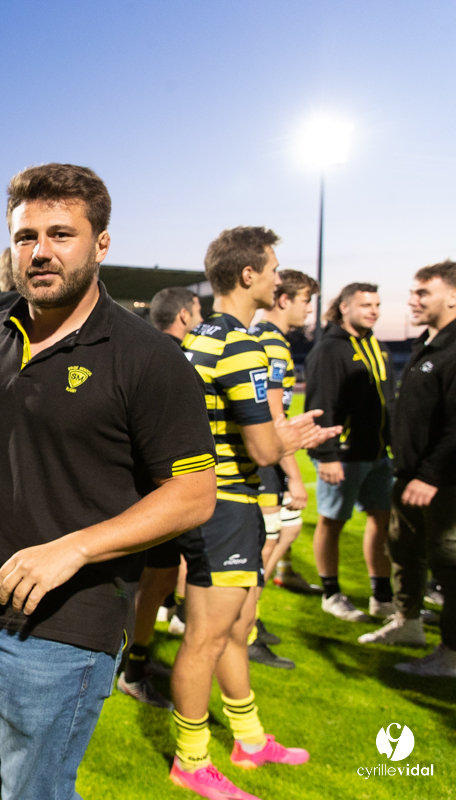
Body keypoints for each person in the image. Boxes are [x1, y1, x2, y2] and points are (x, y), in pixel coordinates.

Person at [0, 163, 218, 800]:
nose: (40, 252)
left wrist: (72, 548)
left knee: (34, 790)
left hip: (67, 626)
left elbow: (193, 494)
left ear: (101, 244)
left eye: (60, 235)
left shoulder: (149, 357)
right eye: (25, 237)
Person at [171, 227, 339, 800]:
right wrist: (290, 439)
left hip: (217, 501)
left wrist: (279, 437)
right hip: (226, 505)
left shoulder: (203, 336)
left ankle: (248, 739)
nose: (276, 278)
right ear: (248, 275)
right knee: (206, 638)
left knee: (237, 629)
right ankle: (190, 762)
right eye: (272, 269)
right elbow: (265, 449)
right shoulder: (241, 343)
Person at [359, 260, 456, 677]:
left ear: (452, 297)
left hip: (442, 484)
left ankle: (451, 654)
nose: (412, 300)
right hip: (409, 476)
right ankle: (408, 624)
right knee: (404, 552)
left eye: (423, 293)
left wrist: (431, 475)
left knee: (450, 566)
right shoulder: (426, 344)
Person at [117, 285, 202, 708]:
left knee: (156, 579)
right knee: (153, 580)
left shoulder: (143, 350)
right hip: (161, 493)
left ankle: (131, 659)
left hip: (151, 492)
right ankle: (131, 665)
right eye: (198, 312)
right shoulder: (168, 356)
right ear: (184, 315)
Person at [305, 282, 397, 622]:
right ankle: (331, 593)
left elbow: (388, 401)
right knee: (332, 522)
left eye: (377, 304)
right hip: (343, 457)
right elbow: (320, 405)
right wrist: (327, 454)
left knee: (382, 521)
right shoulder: (330, 349)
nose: (373, 310)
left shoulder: (376, 345)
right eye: (365, 304)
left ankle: (382, 597)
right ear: (344, 307)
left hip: (378, 454)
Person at [245, 270, 321, 670]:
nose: (309, 311)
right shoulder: (270, 343)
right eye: (306, 301)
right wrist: (293, 474)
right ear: (284, 300)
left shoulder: (268, 340)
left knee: (281, 534)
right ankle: (246, 628)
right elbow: (275, 418)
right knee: (263, 545)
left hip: (266, 457)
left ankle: (249, 620)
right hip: (266, 459)